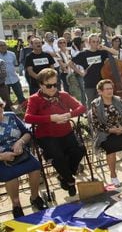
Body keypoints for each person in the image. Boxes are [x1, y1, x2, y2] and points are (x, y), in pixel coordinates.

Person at [24, 68, 87, 197]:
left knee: (80, 150)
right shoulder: (34, 99)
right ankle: (70, 181)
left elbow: (82, 108)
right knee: (58, 157)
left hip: (66, 132)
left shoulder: (63, 95)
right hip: (47, 136)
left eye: (55, 84)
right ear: (41, 85)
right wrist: (51, 118)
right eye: (49, 85)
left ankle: (65, 176)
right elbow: (28, 118)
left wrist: (69, 114)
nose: (53, 88)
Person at [0, 98, 47, 218]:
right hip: (2, 158)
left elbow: (27, 133)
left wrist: (20, 142)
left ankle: (35, 197)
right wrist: (2, 156)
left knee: (35, 166)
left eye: (0, 108)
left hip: (20, 152)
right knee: (10, 175)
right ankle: (16, 205)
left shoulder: (10, 116)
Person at [0, 40, 26, 106]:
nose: (3, 46)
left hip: (14, 79)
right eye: (1, 45)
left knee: (21, 96)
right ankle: (10, 112)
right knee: (6, 99)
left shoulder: (12, 54)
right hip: (4, 82)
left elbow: (14, 64)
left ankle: (24, 109)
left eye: (4, 45)